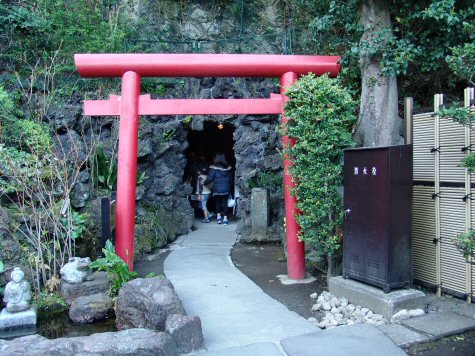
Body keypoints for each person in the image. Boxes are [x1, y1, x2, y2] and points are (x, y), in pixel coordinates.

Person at [204, 153, 232, 225]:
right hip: (226, 189)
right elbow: (231, 179)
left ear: (216, 158)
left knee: (218, 203)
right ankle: (225, 219)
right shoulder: (228, 168)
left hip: (217, 189)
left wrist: (205, 183)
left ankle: (219, 218)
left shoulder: (214, 168)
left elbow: (209, 179)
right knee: (225, 203)